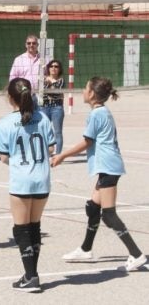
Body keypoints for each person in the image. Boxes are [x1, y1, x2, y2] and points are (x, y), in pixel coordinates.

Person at [51, 77, 147, 271]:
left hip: (109, 166)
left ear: (92, 94)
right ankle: (86, 249)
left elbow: (87, 142)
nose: (83, 91)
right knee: (93, 207)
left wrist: (61, 156)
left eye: (85, 88)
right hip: (107, 166)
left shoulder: (97, 114)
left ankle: (136, 254)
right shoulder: (101, 111)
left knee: (109, 215)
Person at [0, 78, 55, 293]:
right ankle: (32, 273)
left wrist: (20, 160)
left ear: (10, 98)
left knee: (21, 229)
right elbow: (50, 149)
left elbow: (3, 157)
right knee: (34, 226)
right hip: (42, 179)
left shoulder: (5, 123)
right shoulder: (43, 118)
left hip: (22, 181)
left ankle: (31, 276)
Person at [9, 35, 48, 107]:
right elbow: (12, 78)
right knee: (25, 117)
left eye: (34, 43)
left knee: (40, 117)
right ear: (25, 45)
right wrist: (17, 92)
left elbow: (49, 75)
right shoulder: (19, 59)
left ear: (37, 45)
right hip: (23, 94)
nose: (31, 45)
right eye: (29, 43)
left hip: (40, 95)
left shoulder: (44, 59)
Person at [41, 60, 65, 154]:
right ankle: (45, 151)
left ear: (59, 69)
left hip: (57, 107)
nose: (53, 68)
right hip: (44, 107)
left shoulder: (61, 80)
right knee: (44, 130)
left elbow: (56, 93)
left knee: (58, 132)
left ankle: (58, 154)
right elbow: (43, 91)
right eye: (51, 66)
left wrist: (48, 85)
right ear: (48, 68)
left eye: (56, 66)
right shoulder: (42, 79)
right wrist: (49, 86)